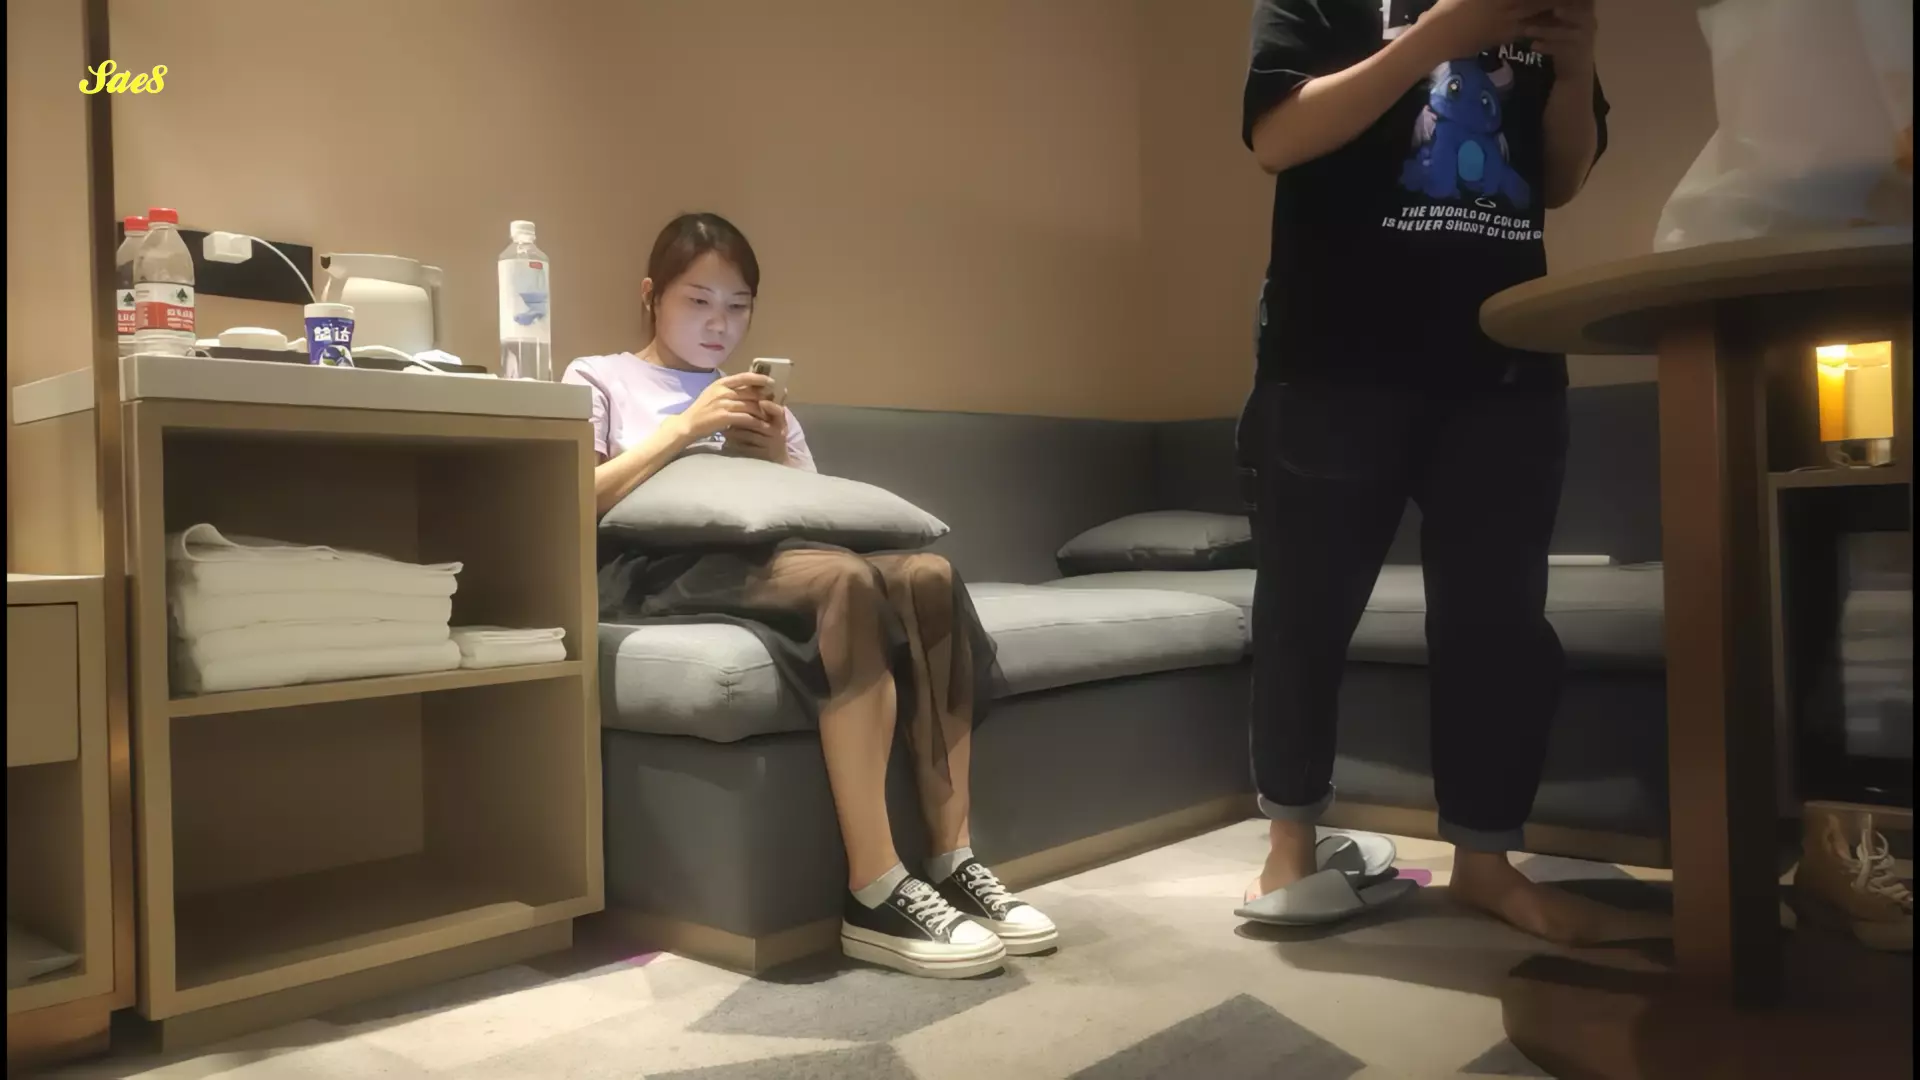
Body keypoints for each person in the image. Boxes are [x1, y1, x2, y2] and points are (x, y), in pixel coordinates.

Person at [1234, 0, 1654, 943]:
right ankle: (1291, 843)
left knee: (1499, 624)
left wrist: (1576, 66)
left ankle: (1486, 862)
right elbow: (1276, 136)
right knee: (1305, 610)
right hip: (1333, 356)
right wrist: (1437, 36)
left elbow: (1558, 181)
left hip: (1505, 360)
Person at [565, 212, 1057, 978]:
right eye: (698, 301)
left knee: (926, 576)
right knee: (842, 581)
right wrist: (683, 431)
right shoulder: (599, 378)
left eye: (738, 306)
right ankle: (874, 888)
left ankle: (952, 858)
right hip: (649, 569)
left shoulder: (763, 404)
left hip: (768, 562)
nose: (719, 324)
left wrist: (775, 458)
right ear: (651, 295)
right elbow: (574, 497)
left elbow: (820, 517)